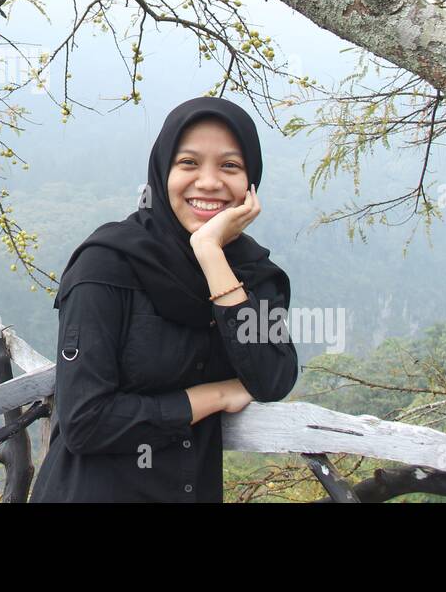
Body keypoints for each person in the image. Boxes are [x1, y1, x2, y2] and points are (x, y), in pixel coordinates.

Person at [28, 95, 298, 502]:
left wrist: (210, 254)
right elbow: (85, 422)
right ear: (162, 172)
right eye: (188, 163)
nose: (208, 182)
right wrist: (214, 395)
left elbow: (272, 378)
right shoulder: (107, 266)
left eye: (230, 165)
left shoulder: (252, 273)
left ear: (251, 180)